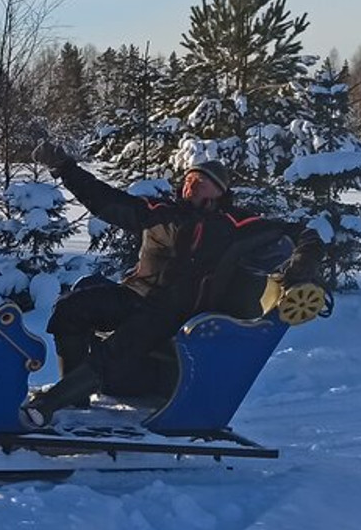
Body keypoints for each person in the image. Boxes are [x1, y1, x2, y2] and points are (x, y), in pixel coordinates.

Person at [23, 144, 320, 425]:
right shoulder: (158, 212)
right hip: (134, 294)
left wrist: (301, 268)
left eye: (201, 181)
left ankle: (49, 405)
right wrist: (65, 168)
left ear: (219, 191)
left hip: (175, 312)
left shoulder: (236, 226)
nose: (191, 184)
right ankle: (74, 400)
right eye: (189, 179)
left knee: (124, 343)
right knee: (71, 308)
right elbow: (105, 200)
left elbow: (305, 233)